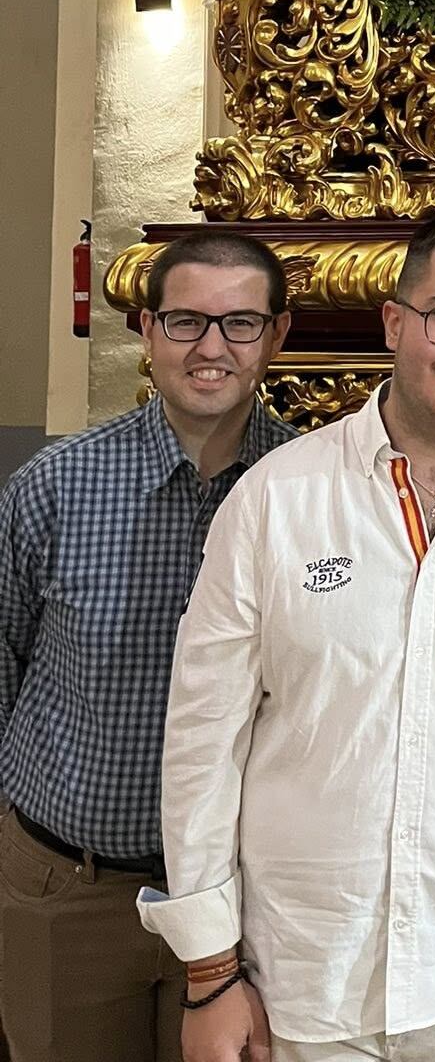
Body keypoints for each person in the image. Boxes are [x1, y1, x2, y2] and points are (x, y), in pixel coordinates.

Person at [138, 207, 435, 1062]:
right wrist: (211, 976)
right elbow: (202, 746)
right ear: (397, 322)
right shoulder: (276, 498)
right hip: (300, 979)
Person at [0, 230, 295, 1062]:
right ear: (146, 329)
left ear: (277, 336)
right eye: (185, 321)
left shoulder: (314, 494)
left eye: (240, 324)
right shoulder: (55, 487)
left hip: (249, 904)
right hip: (71, 892)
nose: (211, 348)